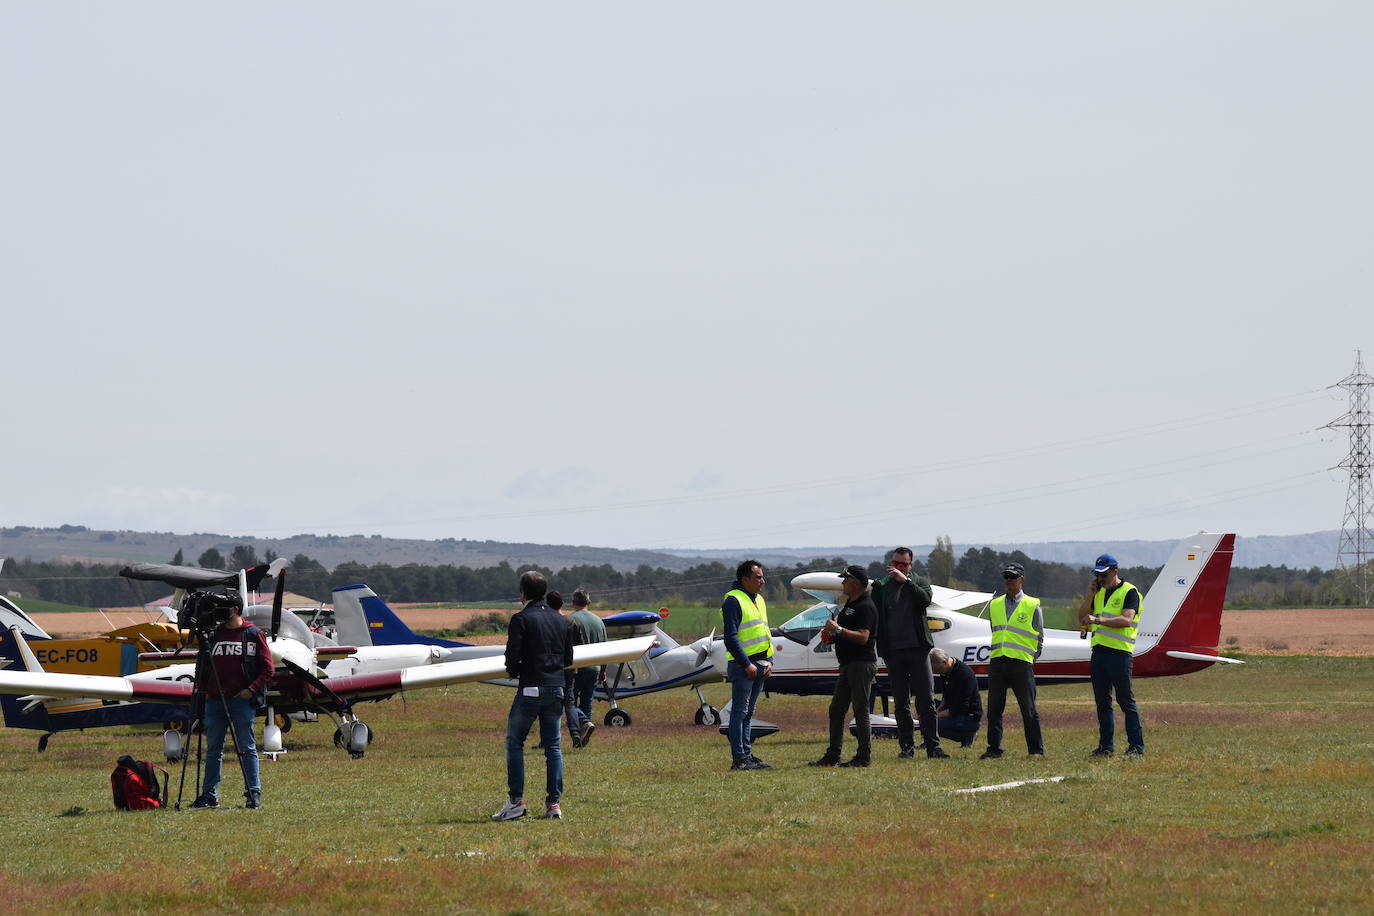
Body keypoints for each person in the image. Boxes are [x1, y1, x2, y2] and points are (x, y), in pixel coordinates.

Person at [493, 570, 575, 821]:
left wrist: (517, 671)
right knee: (553, 747)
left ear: (523, 593)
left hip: (530, 688)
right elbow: (568, 658)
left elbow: (511, 657)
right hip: (557, 688)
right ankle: (553, 805)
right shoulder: (562, 620)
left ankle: (516, 802)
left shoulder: (521, 619)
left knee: (514, 743)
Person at [190, 589, 274, 810]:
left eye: (222, 609)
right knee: (213, 750)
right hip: (215, 702)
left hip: (242, 701)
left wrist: (250, 690)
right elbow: (203, 667)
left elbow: (268, 669)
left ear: (235, 609)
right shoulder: (213, 636)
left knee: (246, 747)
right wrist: (204, 691)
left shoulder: (254, 634)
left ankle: (253, 794)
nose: (218, 613)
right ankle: (209, 795)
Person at [872, 547, 948, 759]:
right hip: (893, 651)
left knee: (925, 698)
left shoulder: (919, 582)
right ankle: (907, 747)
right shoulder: (881, 586)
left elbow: (925, 600)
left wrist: (906, 581)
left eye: (903, 564)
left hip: (918, 649)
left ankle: (933, 746)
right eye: (895, 564)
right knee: (901, 702)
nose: (898, 568)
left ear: (910, 566)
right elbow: (876, 615)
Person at [810, 565, 879, 768]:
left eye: (846, 580)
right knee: (837, 710)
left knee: (860, 710)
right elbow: (847, 633)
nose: (842, 583)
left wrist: (838, 630)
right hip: (848, 664)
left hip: (861, 664)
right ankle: (833, 755)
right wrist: (833, 636)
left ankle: (864, 756)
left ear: (856, 584)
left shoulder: (866, 606)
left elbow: (864, 637)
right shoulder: (850, 604)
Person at [1080, 554, 1145, 757]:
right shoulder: (1098, 593)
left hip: (1119, 653)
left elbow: (1126, 620)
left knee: (1125, 701)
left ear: (1114, 571)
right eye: (1098, 575)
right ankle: (1106, 747)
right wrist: (1090, 595)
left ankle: (1136, 747)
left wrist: (1097, 620)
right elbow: (1082, 617)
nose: (1101, 579)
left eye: (1104, 574)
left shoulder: (1129, 591)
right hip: (1099, 653)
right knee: (1102, 702)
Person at [979, 562, 1045, 759]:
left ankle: (1035, 750)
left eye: (1013, 577)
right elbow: (995, 630)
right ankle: (993, 749)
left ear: (1021, 580)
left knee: (1029, 709)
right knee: (994, 709)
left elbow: (1039, 637)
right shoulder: (995, 604)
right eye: (1006, 576)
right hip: (998, 661)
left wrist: (1031, 659)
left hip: (1022, 663)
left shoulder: (1032, 605)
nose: (1009, 580)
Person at [722, 559, 773, 771]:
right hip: (745, 666)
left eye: (762, 576)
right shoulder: (733, 600)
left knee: (749, 713)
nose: (763, 580)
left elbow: (764, 631)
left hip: (761, 663)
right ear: (745, 580)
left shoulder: (758, 600)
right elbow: (731, 638)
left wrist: (770, 661)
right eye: (758, 577)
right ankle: (739, 759)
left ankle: (747, 754)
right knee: (739, 712)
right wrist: (746, 665)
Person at [565, 587, 605, 748]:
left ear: (573, 602)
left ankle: (584, 723)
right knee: (587, 703)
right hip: (594, 668)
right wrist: (603, 669)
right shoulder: (599, 621)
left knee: (569, 702)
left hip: (576, 668)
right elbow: (605, 647)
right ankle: (582, 741)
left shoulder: (570, 619)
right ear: (589, 602)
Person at [929, 648, 982, 747]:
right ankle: (929, 739)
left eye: (937, 670)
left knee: (930, 723)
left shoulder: (965, 675)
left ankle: (967, 735)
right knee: (923, 704)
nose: (936, 673)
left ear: (945, 662)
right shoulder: (945, 672)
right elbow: (946, 697)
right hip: (953, 708)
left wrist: (934, 716)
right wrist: (935, 711)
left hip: (968, 716)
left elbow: (959, 708)